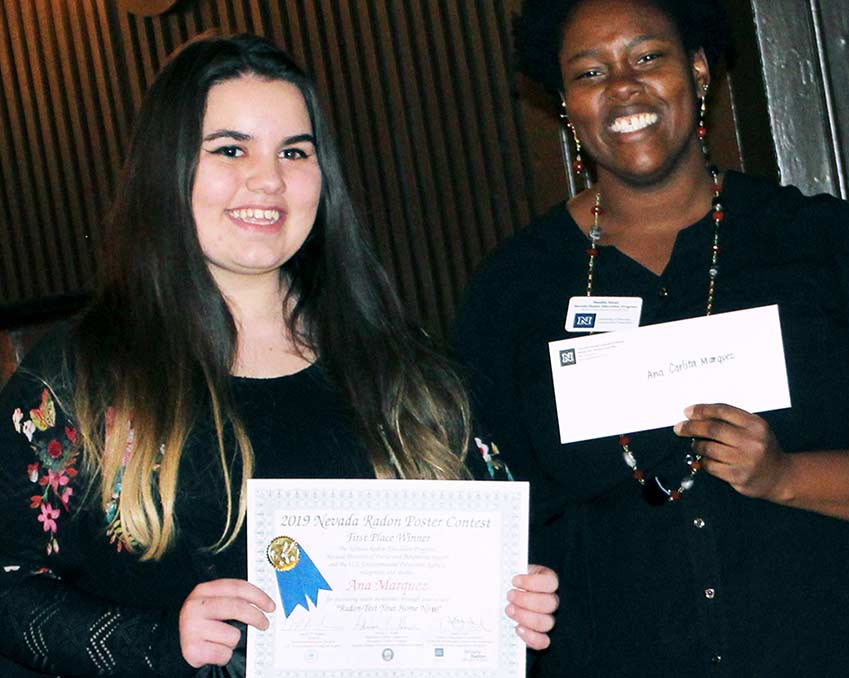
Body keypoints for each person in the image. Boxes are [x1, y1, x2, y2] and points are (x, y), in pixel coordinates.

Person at [0, 34, 557, 677]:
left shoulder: (406, 367)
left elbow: (509, 536)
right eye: (230, 149)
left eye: (294, 151)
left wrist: (520, 598)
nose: (267, 179)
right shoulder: (80, 377)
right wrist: (159, 642)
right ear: (168, 168)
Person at [454, 0, 849, 675]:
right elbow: (486, 520)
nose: (623, 87)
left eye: (647, 57)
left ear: (696, 69)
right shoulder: (513, 291)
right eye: (589, 72)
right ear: (566, 102)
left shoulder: (819, 243)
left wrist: (785, 477)